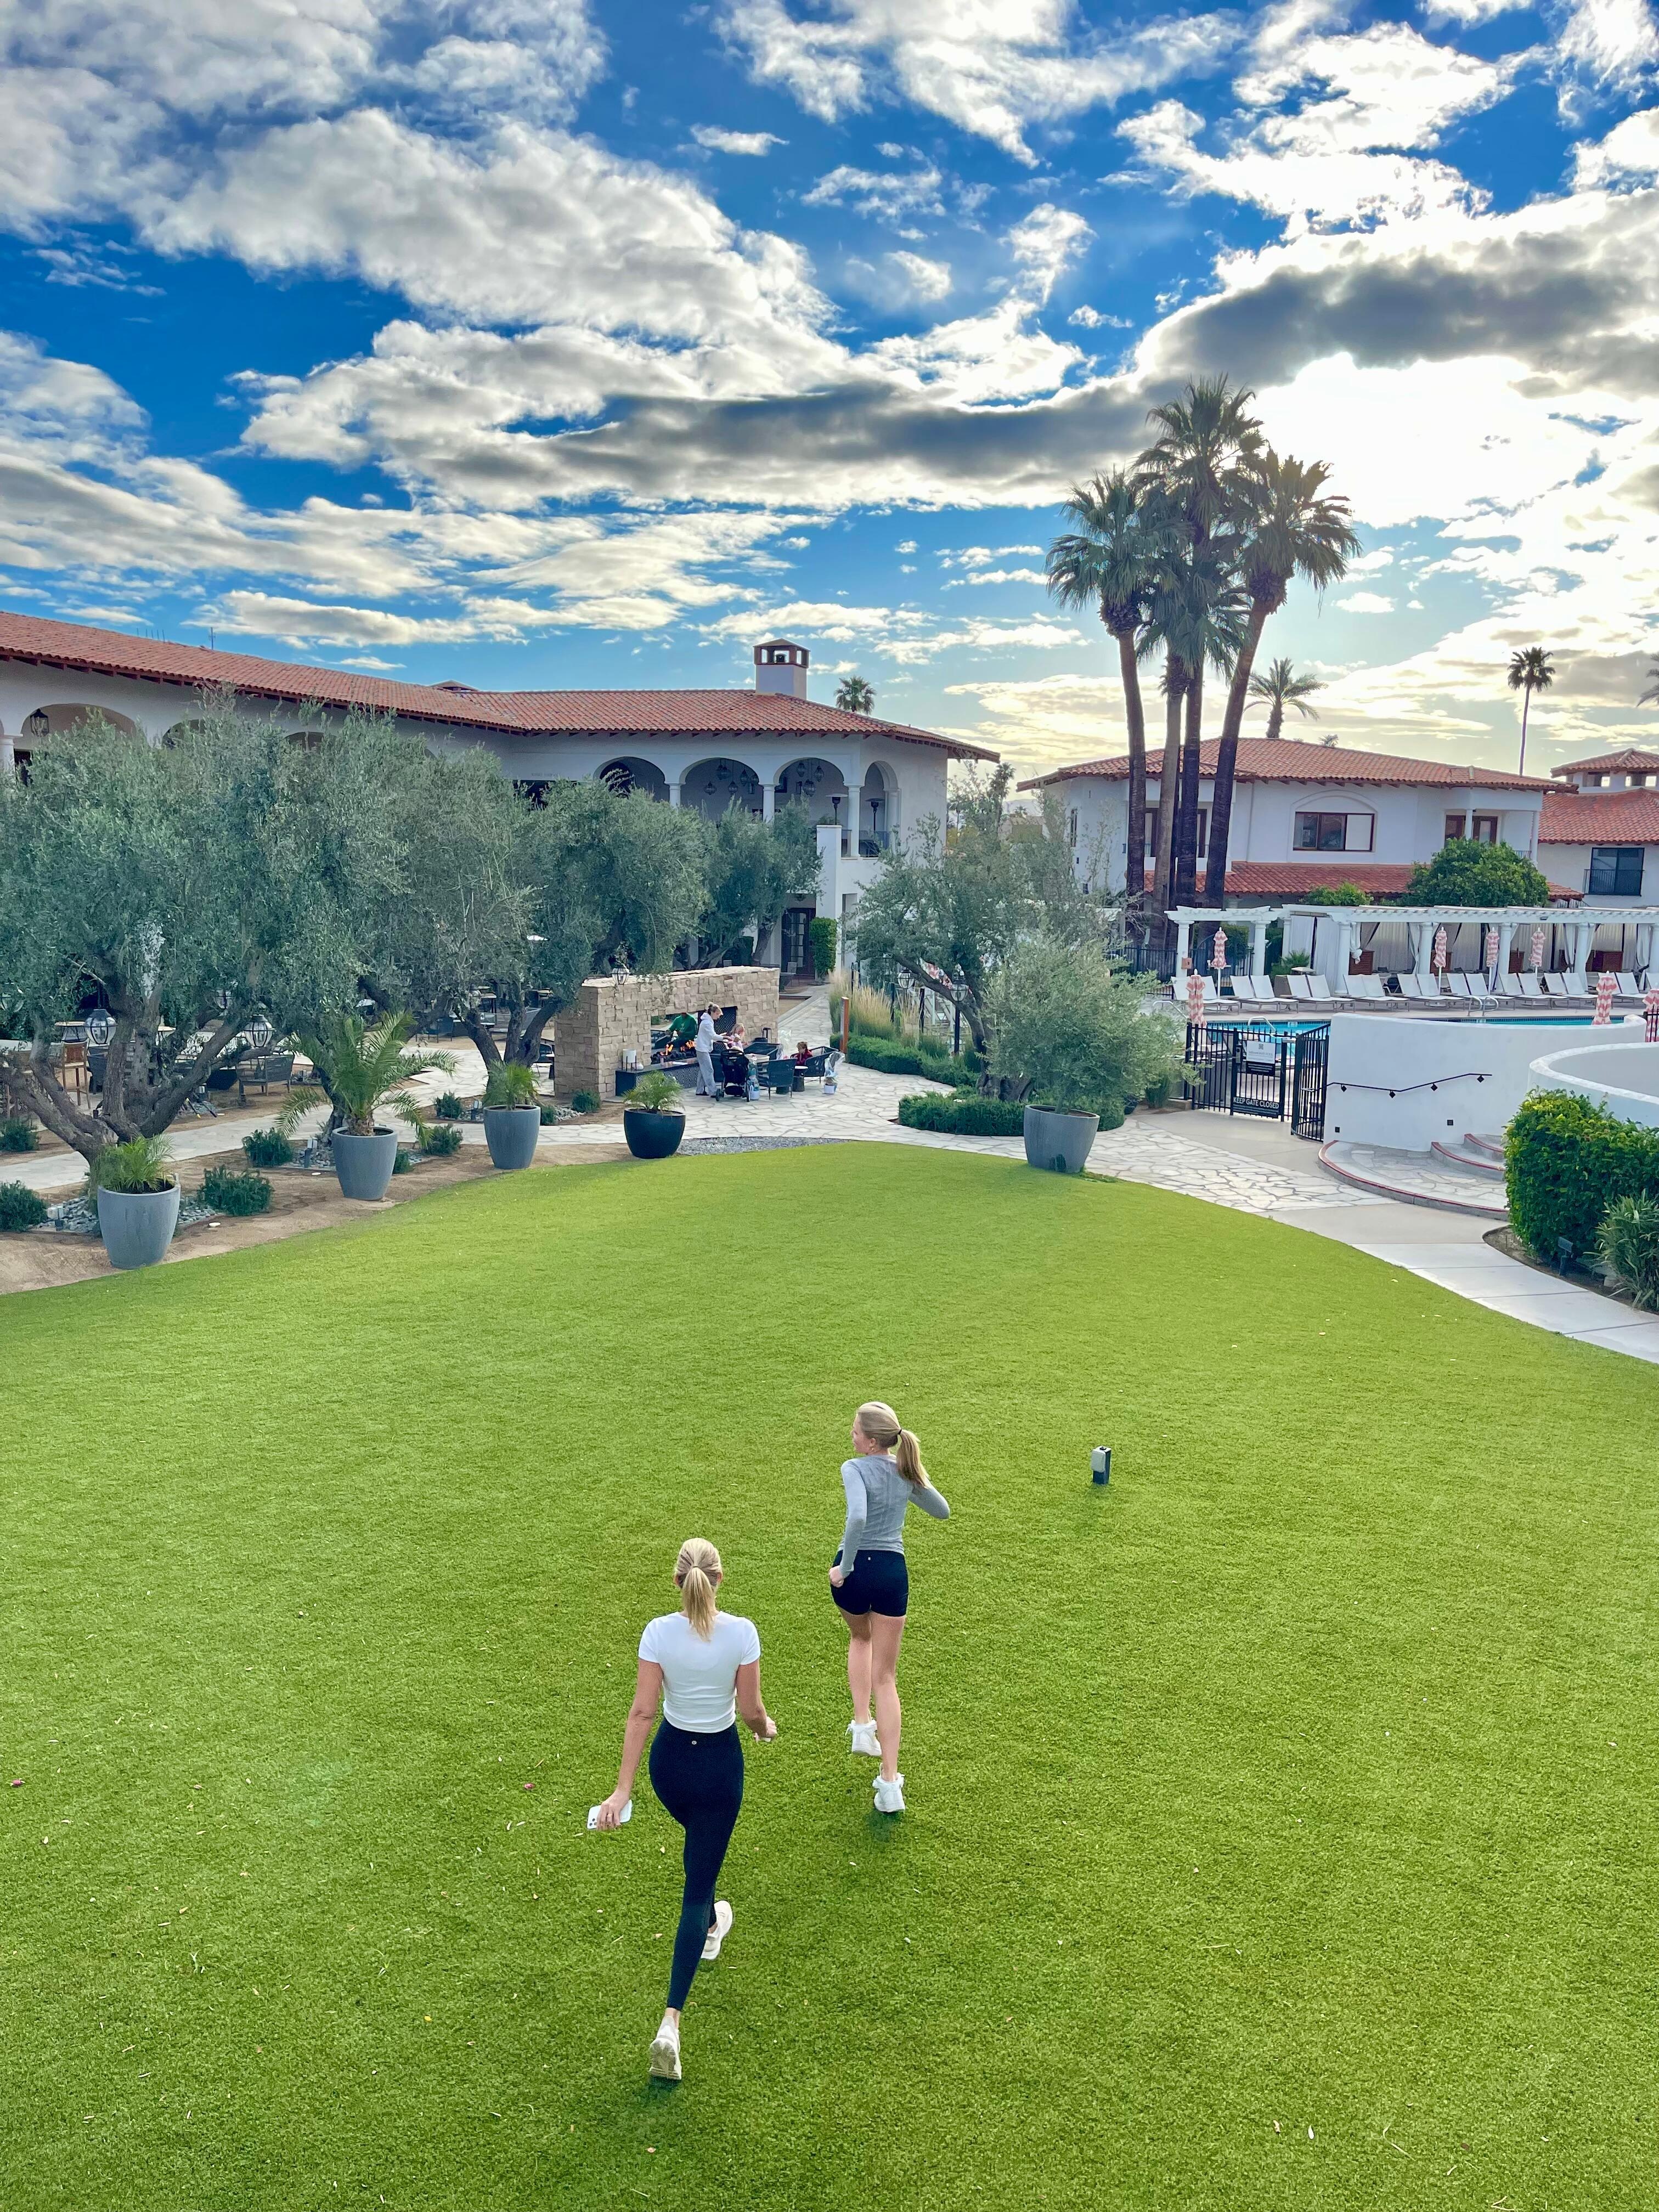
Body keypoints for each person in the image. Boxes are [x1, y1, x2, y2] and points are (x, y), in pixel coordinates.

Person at [594, 1538, 776, 2083]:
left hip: (669, 1768)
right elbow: (751, 1710)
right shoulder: (742, 1633)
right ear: (720, 1579)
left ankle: (714, 1923)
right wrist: (767, 1729)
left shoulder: (657, 1632)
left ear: (677, 1581)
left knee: (701, 1866)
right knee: (696, 1888)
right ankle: (670, 2022)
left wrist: (622, 1791)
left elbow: (642, 1712)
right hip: (719, 1769)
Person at [829, 1402, 949, 1815]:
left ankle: (863, 1725)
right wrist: (912, 1475)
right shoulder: (904, 1469)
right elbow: (942, 1510)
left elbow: (857, 1518)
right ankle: (890, 1783)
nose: (851, 1435)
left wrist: (844, 1568)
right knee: (887, 1678)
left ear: (871, 1441)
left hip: (855, 1571)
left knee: (859, 1638)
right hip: (892, 1574)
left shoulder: (854, 1468)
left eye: (855, 1431)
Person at [693, 1005, 717, 1097]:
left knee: (703, 1070)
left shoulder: (707, 1022)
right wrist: (724, 1038)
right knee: (709, 1070)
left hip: (702, 1049)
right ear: (713, 1013)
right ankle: (713, 1092)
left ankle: (700, 1090)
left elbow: (709, 1036)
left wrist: (721, 1037)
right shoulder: (707, 1023)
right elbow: (713, 1036)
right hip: (702, 1050)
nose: (718, 1016)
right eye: (717, 1014)